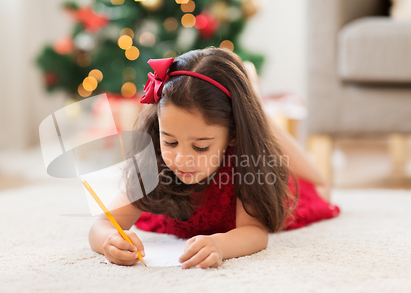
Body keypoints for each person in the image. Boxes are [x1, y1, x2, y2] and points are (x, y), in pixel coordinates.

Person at [88, 47, 340, 269]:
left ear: (232, 135)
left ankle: (257, 107)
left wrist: (221, 244)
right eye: (171, 142)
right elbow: (102, 225)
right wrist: (110, 240)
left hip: (259, 167)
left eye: (200, 147)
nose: (182, 158)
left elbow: (254, 232)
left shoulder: (244, 164)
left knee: (321, 190)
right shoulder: (154, 160)